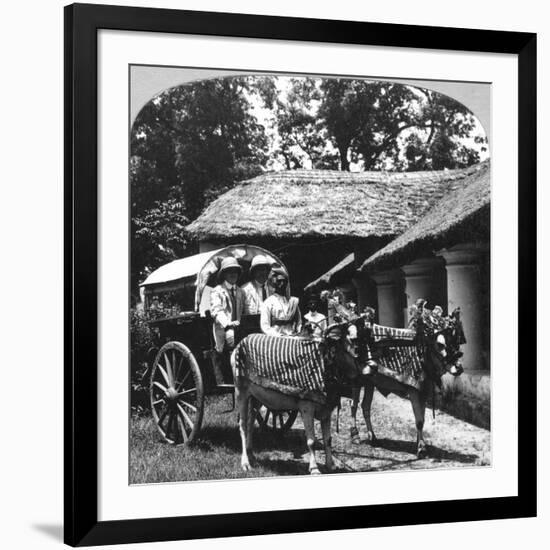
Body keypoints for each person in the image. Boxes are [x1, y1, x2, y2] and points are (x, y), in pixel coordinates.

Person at [210, 257, 245, 353]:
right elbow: (217, 311)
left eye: (235, 271)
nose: (233, 274)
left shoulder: (240, 291)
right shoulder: (217, 291)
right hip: (223, 331)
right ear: (224, 274)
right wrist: (228, 324)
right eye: (229, 271)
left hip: (239, 332)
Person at [260, 267, 302, 336]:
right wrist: (278, 335)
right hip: (276, 338)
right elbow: (265, 326)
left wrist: (297, 332)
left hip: (292, 336)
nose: (282, 284)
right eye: (279, 281)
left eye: (284, 281)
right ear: (274, 283)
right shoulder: (268, 303)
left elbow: (299, 322)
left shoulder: (293, 301)